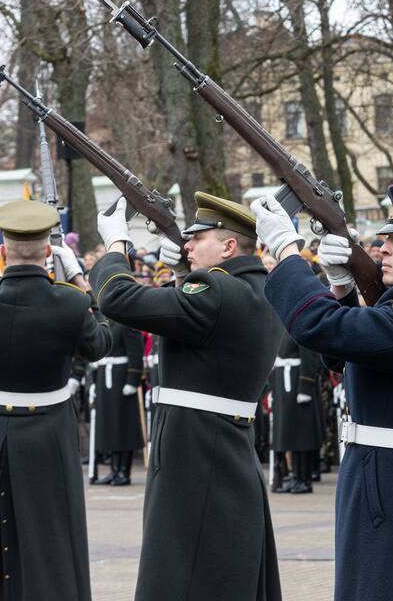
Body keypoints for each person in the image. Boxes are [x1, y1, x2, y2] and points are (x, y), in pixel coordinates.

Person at [252, 184, 393, 601]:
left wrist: (288, 252)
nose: (383, 247)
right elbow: (345, 355)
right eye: (385, 239)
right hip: (389, 477)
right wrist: (342, 288)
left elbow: (321, 328)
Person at [90, 192, 283, 601]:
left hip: (196, 451)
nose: (187, 244)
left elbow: (117, 299)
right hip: (220, 445)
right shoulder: (255, 289)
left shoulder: (215, 290)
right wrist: (182, 276)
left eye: (199, 238)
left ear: (229, 246)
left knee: (182, 571)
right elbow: (203, 342)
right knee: (214, 568)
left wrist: (115, 246)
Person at [0, 200, 111, 601]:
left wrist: (10, 261)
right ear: (49, 252)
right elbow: (99, 344)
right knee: (53, 533)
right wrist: (78, 279)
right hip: (47, 431)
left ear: (2, 252)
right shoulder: (71, 303)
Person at [89, 319, 145, 486]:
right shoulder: (104, 323)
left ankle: (124, 471)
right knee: (110, 427)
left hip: (121, 379)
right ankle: (114, 470)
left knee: (123, 427)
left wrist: (133, 380)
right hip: (106, 379)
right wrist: (94, 382)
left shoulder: (127, 322)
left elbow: (136, 351)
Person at [269, 333, 325, 494]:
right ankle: (296, 476)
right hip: (285, 388)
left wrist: (305, 388)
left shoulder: (299, 330)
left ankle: (304, 479)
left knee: (303, 438)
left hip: (297, 388)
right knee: (291, 437)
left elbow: (309, 358)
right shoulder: (283, 332)